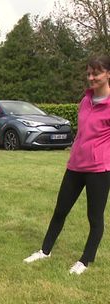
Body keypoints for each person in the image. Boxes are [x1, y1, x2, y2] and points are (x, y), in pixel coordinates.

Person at [24, 55, 110, 275]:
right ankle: (45, 251)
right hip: (75, 166)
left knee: (94, 217)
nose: (91, 77)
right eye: (89, 73)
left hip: (99, 170)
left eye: (96, 73)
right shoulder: (85, 101)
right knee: (60, 210)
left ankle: (85, 260)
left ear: (108, 74)